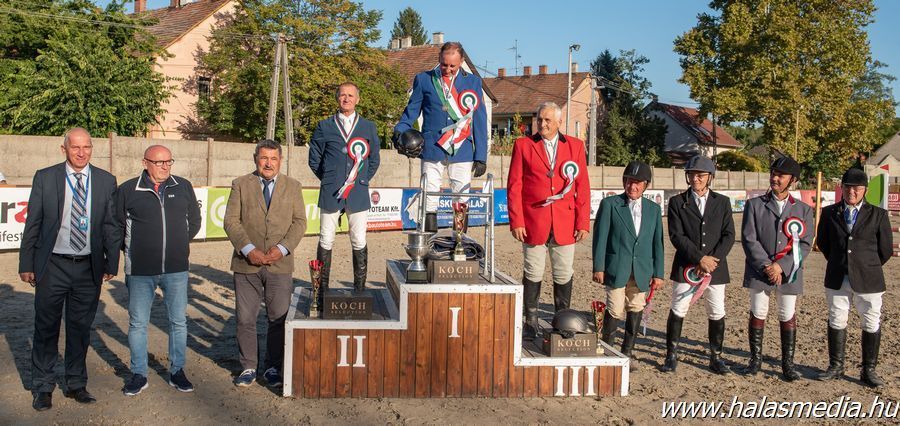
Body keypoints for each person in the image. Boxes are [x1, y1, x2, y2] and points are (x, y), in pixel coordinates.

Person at [18, 128, 118, 411]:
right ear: (64, 149)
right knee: (46, 328)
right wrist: (27, 263)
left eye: (87, 147)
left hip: (88, 267)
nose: (82, 152)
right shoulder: (45, 177)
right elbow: (33, 223)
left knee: (80, 328)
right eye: (76, 147)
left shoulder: (105, 180)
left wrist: (111, 262)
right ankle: (43, 386)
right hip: (53, 265)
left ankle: (76, 383)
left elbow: (111, 225)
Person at [108, 145, 202, 396]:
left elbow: (194, 221)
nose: (164, 167)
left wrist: (177, 244)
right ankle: (139, 374)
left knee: (178, 321)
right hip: (139, 270)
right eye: (159, 162)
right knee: (138, 323)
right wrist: (132, 251)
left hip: (176, 269)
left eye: (168, 162)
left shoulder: (182, 186)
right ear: (145, 163)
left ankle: (177, 371)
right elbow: (115, 226)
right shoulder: (128, 190)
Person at [224, 139, 307, 388]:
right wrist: (248, 250)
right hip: (246, 264)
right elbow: (231, 221)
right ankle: (248, 366)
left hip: (279, 266)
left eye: (273, 158)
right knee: (245, 319)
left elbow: (300, 222)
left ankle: (272, 367)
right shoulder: (240, 185)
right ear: (255, 159)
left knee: (278, 319)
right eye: (263, 158)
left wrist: (281, 250)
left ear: (280, 161)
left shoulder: (293, 186)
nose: (268, 163)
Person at [506, 102, 591, 339]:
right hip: (533, 221)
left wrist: (583, 222)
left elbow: (582, 187)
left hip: (565, 222)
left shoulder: (575, 146)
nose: (542, 124)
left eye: (547, 121)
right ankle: (530, 320)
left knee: (563, 272)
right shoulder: (523, 145)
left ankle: (562, 319)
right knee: (533, 270)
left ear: (559, 122)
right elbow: (514, 186)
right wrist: (517, 221)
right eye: (539, 119)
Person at [393, 41, 488, 232]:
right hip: (431, 147)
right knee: (429, 195)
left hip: (462, 149)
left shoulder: (473, 82)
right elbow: (411, 112)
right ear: (439, 59)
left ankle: (459, 246)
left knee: (462, 197)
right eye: (444, 64)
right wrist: (399, 131)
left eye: (453, 65)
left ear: (461, 61)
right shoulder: (424, 79)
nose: (448, 69)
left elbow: (479, 119)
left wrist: (481, 156)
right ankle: (428, 243)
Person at [816, 167, 892, 387]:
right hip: (838, 275)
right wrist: (842, 263)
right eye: (848, 187)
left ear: (865, 190)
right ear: (842, 188)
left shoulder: (879, 214)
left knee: (870, 320)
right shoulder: (830, 213)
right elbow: (823, 243)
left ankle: (868, 370)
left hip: (869, 277)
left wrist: (864, 266)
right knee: (837, 318)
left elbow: (885, 250)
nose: (852, 192)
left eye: (857, 188)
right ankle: (836, 366)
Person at [740, 156, 813, 381]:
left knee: (786, 313)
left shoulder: (803, 209)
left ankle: (787, 364)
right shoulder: (754, 205)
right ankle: (755, 360)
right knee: (758, 311)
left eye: (780, 175)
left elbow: (806, 243)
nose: (775, 178)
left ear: (792, 180)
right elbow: (749, 239)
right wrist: (767, 266)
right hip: (759, 269)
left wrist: (781, 266)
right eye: (773, 174)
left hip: (789, 271)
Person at [662, 155, 735, 374]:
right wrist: (698, 259)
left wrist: (712, 261)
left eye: (700, 175)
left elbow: (729, 234)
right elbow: (676, 235)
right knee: (678, 308)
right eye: (692, 175)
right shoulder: (677, 202)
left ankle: (716, 356)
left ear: (709, 177)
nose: (696, 179)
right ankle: (671, 354)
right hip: (687, 265)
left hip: (715, 267)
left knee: (716, 310)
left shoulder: (722, 202)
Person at [308, 82, 380, 295]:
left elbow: (374, 159)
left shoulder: (368, 127)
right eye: (342, 95)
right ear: (337, 98)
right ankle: (321, 292)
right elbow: (314, 159)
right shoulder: (324, 126)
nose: (346, 99)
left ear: (358, 99)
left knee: (358, 239)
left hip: (358, 192)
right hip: (331, 191)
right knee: (325, 238)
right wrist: (330, 179)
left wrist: (360, 179)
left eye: (350, 95)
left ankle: (359, 290)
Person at [592, 161, 665, 367]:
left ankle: (627, 353)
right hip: (617, 267)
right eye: (629, 182)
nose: (632, 187)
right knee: (615, 308)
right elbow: (601, 237)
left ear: (646, 185)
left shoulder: (653, 209)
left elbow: (657, 243)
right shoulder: (610, 205)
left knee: (636, 307)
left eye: (637, 183)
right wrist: (599, 267)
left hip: (642, 270)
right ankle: (608, 349)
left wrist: (658, 273)